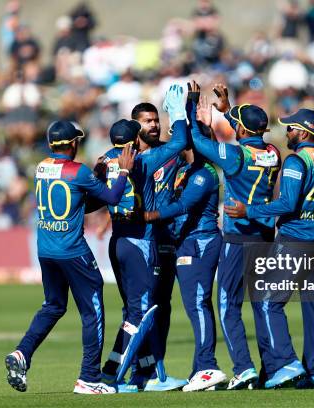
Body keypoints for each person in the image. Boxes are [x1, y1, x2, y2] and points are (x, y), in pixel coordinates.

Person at [5, 120, 136, 395]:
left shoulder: (41, 168)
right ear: (73, 143)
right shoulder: (79, 172)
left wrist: (96, 179)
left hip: (46, 250)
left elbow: (79, 201)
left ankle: (22, 353)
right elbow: (112, 197)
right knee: (92, 311)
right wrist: (123, 170)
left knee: (53, 306)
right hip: (73, 252)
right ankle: (88, 378)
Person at [226, 108, 314, 390]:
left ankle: (286, 364)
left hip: (295, 241)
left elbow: (287, 204)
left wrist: (249, 211)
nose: (287, 133)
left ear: (303, 132)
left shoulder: (296, 162)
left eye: (290, 128)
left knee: (266, 301)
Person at [190, 82, 282, 390]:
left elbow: (197, 143)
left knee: (229, 305)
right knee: (260, 305)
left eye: (236, 124)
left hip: (238, 238)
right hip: (265, 237)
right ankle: (271, 368)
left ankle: (244, 368)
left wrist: (191, 112)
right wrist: (227, 112)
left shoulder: (235, 156)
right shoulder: (273, 152)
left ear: (241, 130)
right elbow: (246, 132)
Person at [99, 85, 188, 392]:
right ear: (135, 138)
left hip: (117, 241)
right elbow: (178, 142)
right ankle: (110, 375)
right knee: (141, 311)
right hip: (139, 243)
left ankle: (146, 373)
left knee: (137, 309)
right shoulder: (142, 162)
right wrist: (177, 112)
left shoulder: (103, 161)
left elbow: (96, 194)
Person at [144, 84, 226, 391]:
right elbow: (189, 138)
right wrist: (191, 106)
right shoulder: (190, 169)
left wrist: (150, 216)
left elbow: (182, 206)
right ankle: (201, 370)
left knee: (197, 304)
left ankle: (208, 366)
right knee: (192, 304)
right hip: (188, 242)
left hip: (201, 241)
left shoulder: (204, 174)